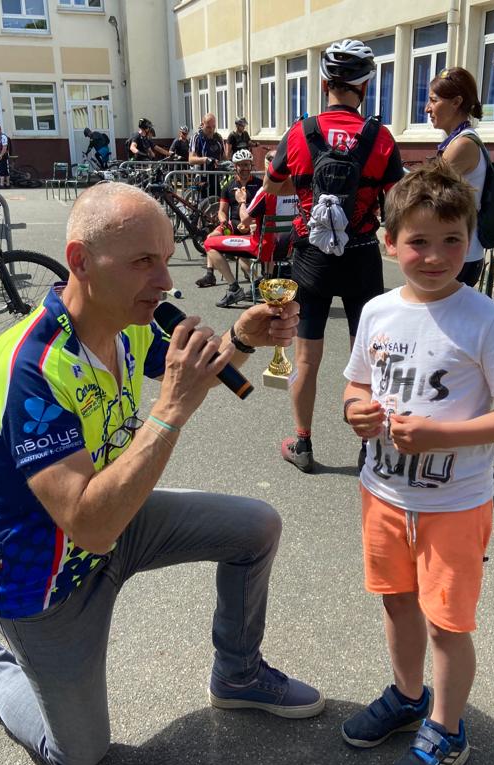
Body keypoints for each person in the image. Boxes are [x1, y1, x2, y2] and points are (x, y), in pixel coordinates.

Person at [0, 182, 322, 765]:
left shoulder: (128, 321)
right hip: (43, 574)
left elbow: (193, 373)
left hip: (116, 519)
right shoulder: (28, 367)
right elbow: (87, 525)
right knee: (80, 754)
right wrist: (170, 410)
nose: (165, 281)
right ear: (81, 261)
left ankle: (238, 675)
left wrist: (240, 337)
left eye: (166, 259)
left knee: (256, 527)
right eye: (142, 262)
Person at [341, 162, 494, 765]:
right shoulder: (377, 311)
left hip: (454, 504)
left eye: (452, 240)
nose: (434, 256)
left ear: (470, 240)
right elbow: (356, 386)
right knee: (396, 602)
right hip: (382, 492)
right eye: (418, 241)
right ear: (390, 242)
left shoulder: (485, 319)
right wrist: (355, 411)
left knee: (447, 623)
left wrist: (438, 436)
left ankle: (447, 728)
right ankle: (408, 696)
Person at [263, 39, 404, 473]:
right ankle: (369, 446)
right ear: (365, 86)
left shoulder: (299, 132)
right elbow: (396, 200)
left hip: (312, 255)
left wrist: (305, 188)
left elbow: (271, 185)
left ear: (325, 84)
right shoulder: (381, 137)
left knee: (307, 358)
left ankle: (303, 443)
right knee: (371, 358)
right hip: (361, 254)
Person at [426, 68, 487, 288]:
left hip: (458, 255)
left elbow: (426, 193)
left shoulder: (462, 145)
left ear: (456, 102)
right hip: (458, 250)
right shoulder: (457, 140)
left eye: (434, 100)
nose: (427, 108)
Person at [195, 149, 263, 306]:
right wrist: (223, 221)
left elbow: (264, 210)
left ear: (251, 165)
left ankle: (255, 282)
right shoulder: (228, 186)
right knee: (209, 239)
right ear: (235, 166)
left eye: (247, 165)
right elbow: (222, 211)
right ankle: (218, 278)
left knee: (243, 257)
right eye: (241, 165)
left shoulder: (259, 185)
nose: (244, 168)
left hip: (253, 226)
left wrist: (252, 223)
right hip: (233, 225)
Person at [189, 112, 225, 198]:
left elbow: (224, 157)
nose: (211, 130)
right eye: (208, 127)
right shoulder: (197, 137)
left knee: (217, 201)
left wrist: (229, 164)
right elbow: (191, 159)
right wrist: (206, 159)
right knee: (204, 204)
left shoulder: (218, 138)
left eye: (213, 127)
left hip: (216, 178)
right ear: (202, 125)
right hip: (202, 177)